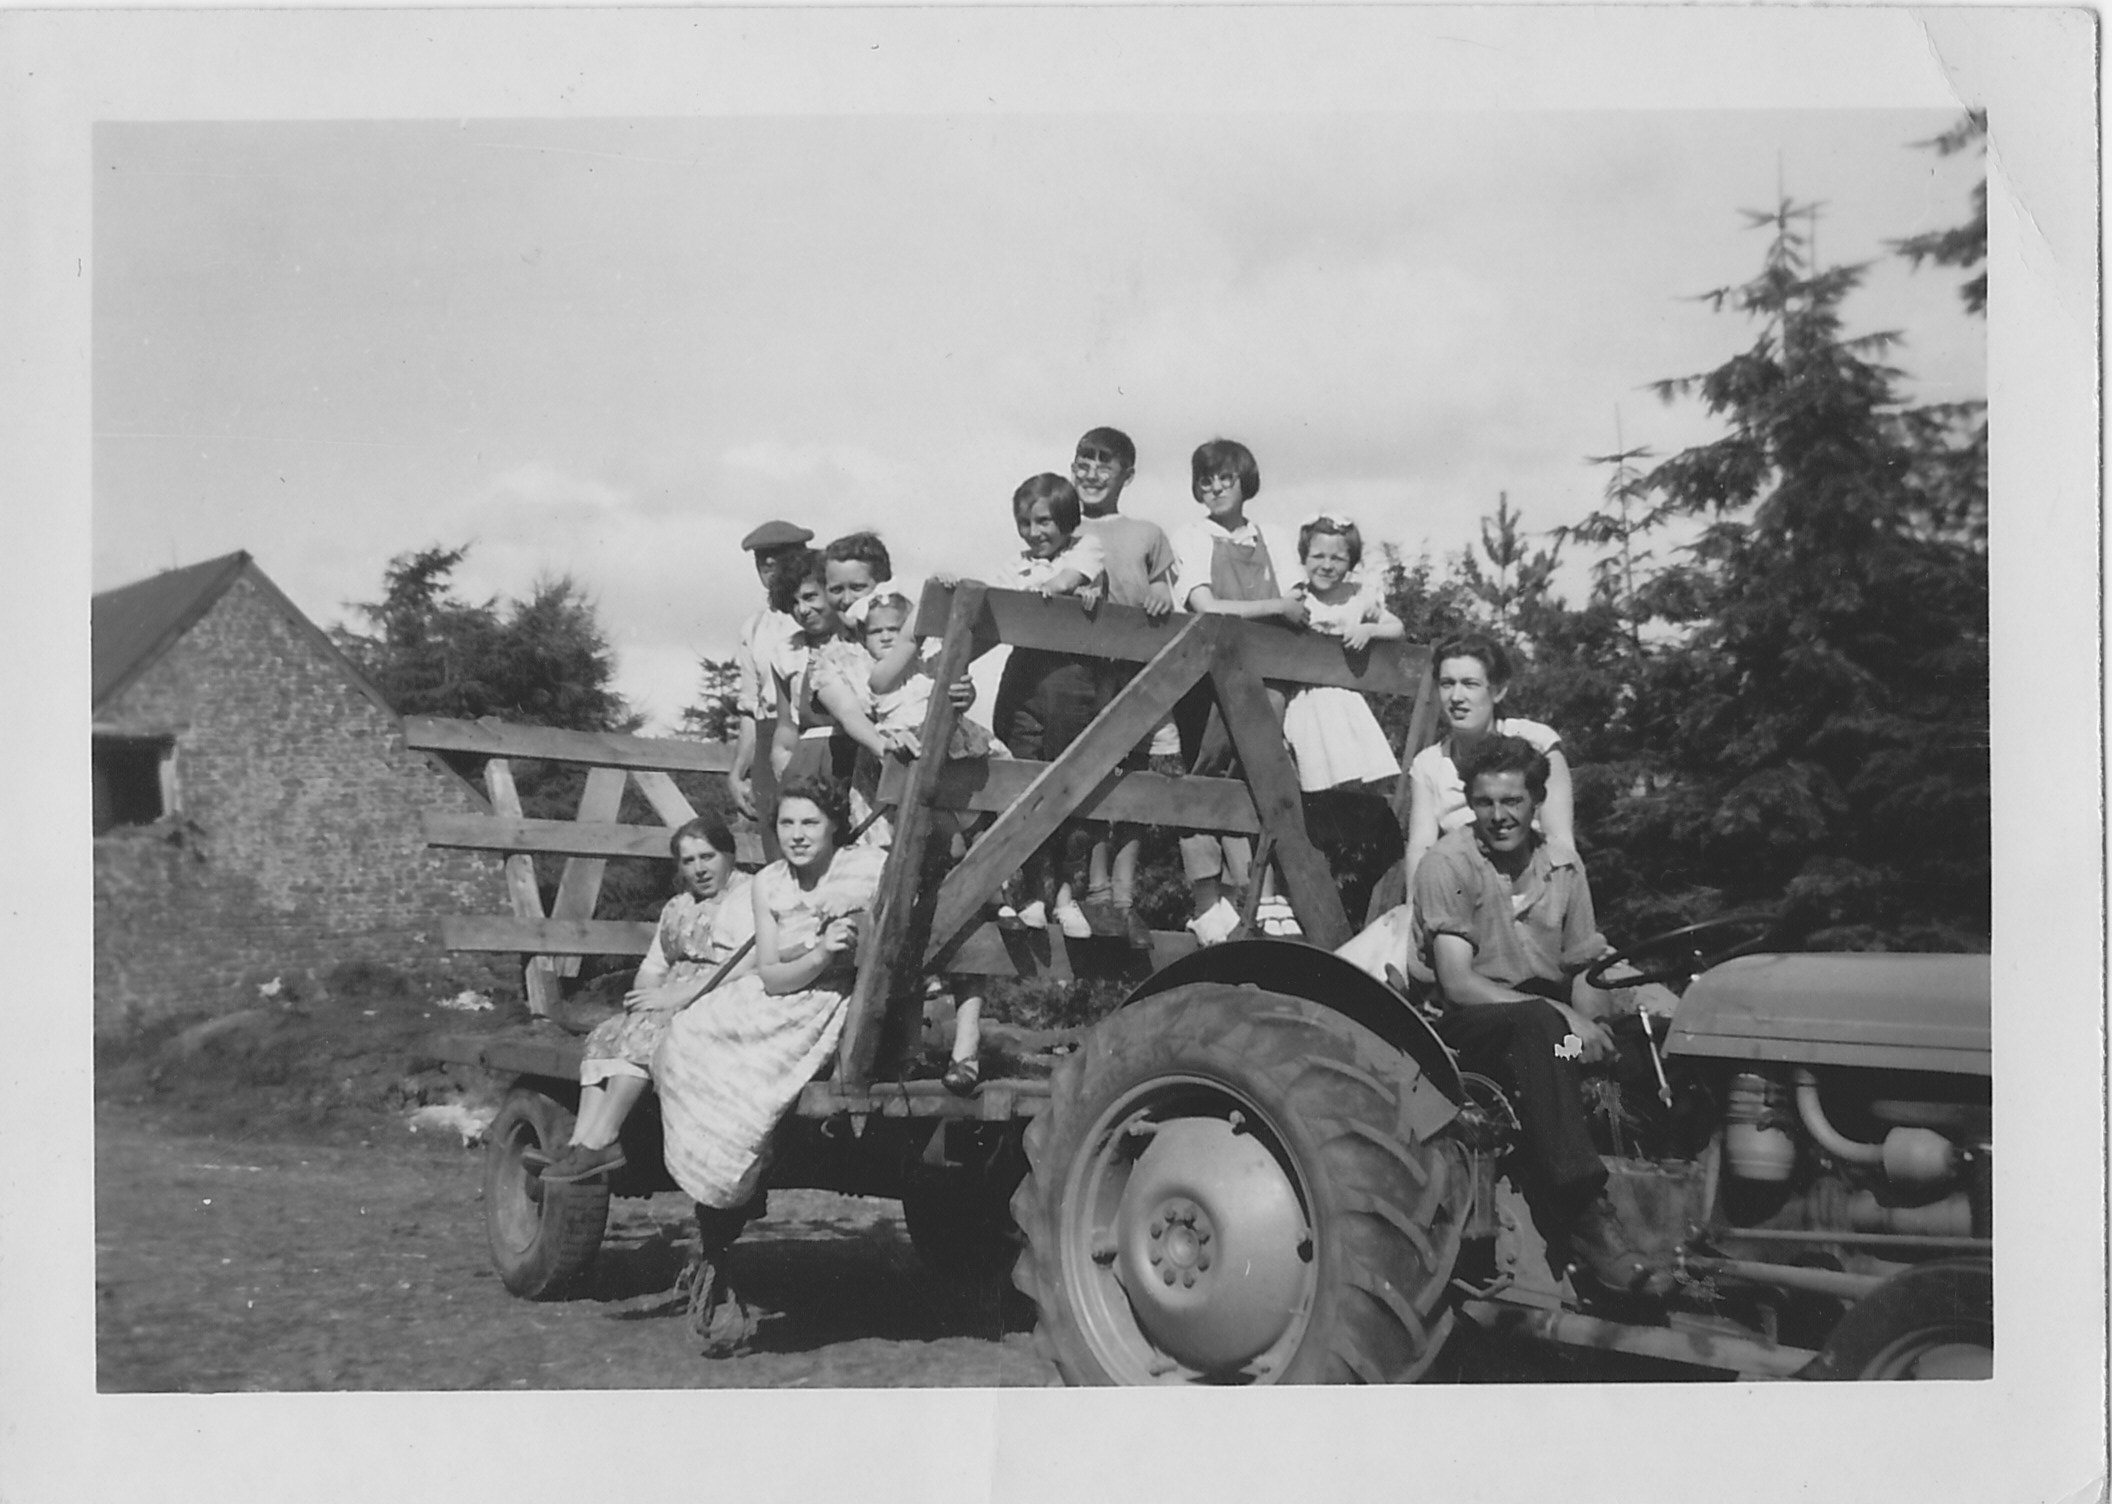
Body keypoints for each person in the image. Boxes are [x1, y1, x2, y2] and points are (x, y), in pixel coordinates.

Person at [1410, 734, 1659, 1294]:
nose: (1498, 816)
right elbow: (1458, 983)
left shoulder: (1563, 866)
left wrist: (1590, 1029)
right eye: (1484, 803)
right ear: (1470, 804)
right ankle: (1586, 1216)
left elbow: (1584, 973)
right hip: (1467, 1033)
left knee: (1645, 1044)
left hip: (1547, 1042)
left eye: (1512, 802)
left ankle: (1678, 1214)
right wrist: (1560, 1014)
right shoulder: (1448, 864)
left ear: (1537, 801)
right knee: (1544, 1028)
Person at [651, 775, 890, 1353]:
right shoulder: (770, 884)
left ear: (834, 825)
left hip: (827, 1006)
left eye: (810, 822)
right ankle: (718, 1195)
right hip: (783, 990)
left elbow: (869, 959)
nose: (798, 835)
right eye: (786, 824)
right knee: (687, 1037)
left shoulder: (859, 875)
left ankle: (734, 1187)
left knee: (749, 1090)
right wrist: (815, 954)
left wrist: (833, 955)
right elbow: (771, 971)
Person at [540, 817, 757, 1184]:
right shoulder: (678, 906)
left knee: (644, 1031)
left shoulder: (747, 896)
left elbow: (745, 966)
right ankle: (581, 1143)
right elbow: (656, 965)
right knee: (607, 1034)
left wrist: (673, 997)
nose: (700, 869)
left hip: (722, 997)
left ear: (729, 855)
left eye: (708, 857)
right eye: (689, 862)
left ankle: (605, 1138)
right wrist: (645, 996)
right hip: (672, 997)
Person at [1167, 437, 1307, 945]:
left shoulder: (1273, 534)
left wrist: (1280, 607)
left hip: (1267, 677)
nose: (1216, 487)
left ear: (1244, 480)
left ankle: (1257, 894)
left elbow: (1297, 596)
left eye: (1225, 477)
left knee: (1259, 775)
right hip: (1207, 679)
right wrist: (1274, 609)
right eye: (1205, 480)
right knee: (1205, 775)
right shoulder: (1192, 535)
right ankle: (1209, 900)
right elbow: (1205, 604)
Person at [979, 473, 1106, 937]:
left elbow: (1074, 576)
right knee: (1024, 781)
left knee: (1067, 784)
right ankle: (1032, 890)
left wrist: (1063, 586)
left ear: (1067, 521)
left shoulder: (1085, 549)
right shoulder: (1015, 567)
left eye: (1045, 522)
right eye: (1026, 523)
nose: (1035, 533)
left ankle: (1066, 895)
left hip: (1071, 680)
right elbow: (986, 596)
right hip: (1025, 680)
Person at [1271, 513, 1403, 936]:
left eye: (1337, 558)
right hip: (1306, 699)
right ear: (1304, 557)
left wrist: (1368, 629)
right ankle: (1302, 886)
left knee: (1347, 778)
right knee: (1309, 779)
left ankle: (1341, 865)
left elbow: (1397, 627)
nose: (1326, 565)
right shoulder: (1297, 596)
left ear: (1351, 563)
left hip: (1342, 699)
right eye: (1317, 556)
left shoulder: (1358, 597)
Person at [1071, 425, 1177, 950]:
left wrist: (1159, 598)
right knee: (1091, 775)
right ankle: (1095, 893)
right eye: (1083, 459)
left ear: (1126, 475)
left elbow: (1160, 587)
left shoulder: (1146, 532)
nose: (1091, 471)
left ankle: (1125, 896)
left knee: (1135, 780)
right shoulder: (1060, 525)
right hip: (1085, 673)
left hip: (1137, 671)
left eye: (1104, 462)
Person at [728, 520, 815, 821]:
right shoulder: (754, 628)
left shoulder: (818, 616)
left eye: (777, 554)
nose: (767, 562)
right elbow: (752, 709)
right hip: (769, 745)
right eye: (760, 556)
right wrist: (738, 772)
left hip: (814, 741)